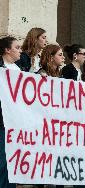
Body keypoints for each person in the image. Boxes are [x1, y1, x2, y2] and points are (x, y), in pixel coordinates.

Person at [0, 36, 22, 188]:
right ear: (7, 50)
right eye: (17, 47)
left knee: (12, 163)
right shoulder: (1, 69)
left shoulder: (18, 70)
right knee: (2, 162)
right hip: (2, 122)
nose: (20, 51)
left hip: (15, 123)